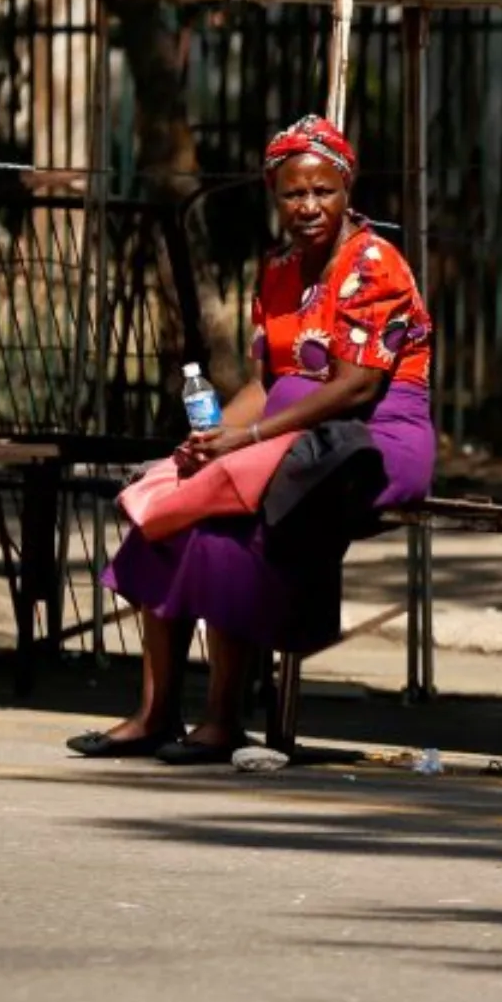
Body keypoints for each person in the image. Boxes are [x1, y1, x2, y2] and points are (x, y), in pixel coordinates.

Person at [69, 115, 436, 763]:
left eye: (323, 191)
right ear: (275, 195)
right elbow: (269, 380)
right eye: (295, 193)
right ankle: (155, 714)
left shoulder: (374, 264)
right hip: (290, 435)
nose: (309, 206)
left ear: (347, 187)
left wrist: (249, 437)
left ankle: (221, 721)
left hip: (366, 443)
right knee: (169, 516)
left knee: (225, 531)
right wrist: (213, 435)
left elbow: (355, 388)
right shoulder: (280, 270)